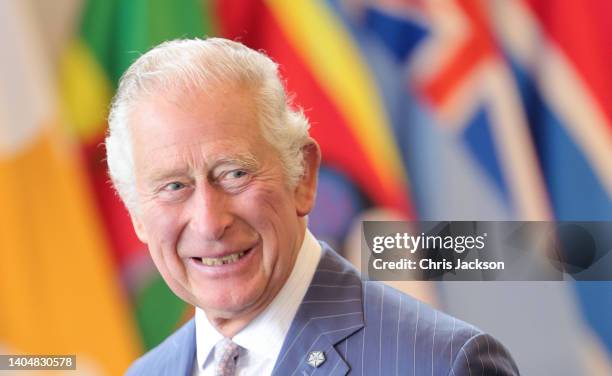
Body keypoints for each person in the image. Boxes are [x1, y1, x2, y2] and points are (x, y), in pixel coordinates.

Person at [105, 38, 519, 376]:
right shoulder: (146, 373)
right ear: (137, 213)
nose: (210, 223)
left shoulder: (441, 364)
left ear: (302, 176)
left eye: (234, 174)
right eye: (174, 186)